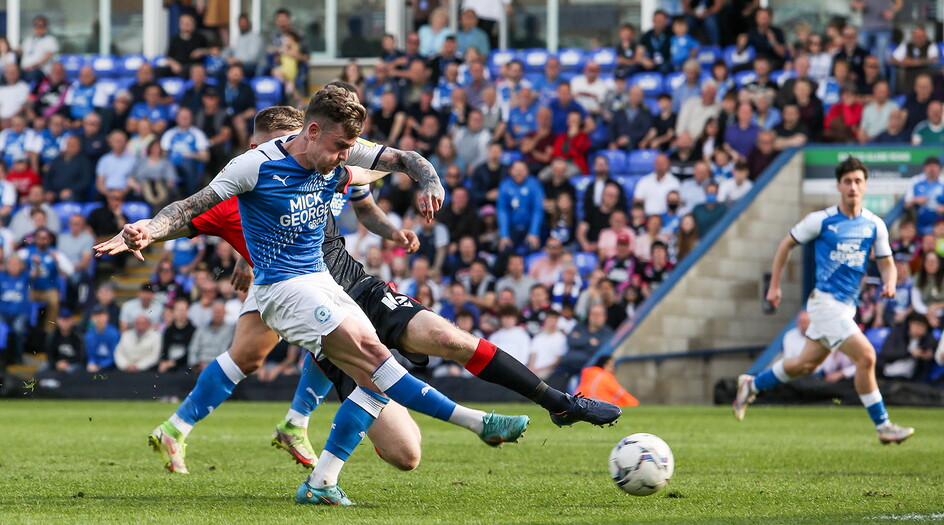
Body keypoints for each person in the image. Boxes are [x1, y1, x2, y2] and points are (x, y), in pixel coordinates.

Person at [103, 97, 618, 496]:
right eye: (336, 145)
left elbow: (380, 174)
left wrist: (416, 194)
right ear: (301, 135)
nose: (341, 156)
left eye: (347, 147)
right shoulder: (250, 173)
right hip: (285, 289)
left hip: (347, 282)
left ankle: (554, 402)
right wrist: (147, 230)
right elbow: (190, 211)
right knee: (390, 434)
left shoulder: (336, 164)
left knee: (441, 338)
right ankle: (466, 423)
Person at [734, 157, 914, 444]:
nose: (853, 187)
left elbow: (887, 263)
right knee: (866, 356)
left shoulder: (874, 225)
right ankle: (883, 426)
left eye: (858, 181)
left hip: (846, 308)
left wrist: (890, 282)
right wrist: (775, 286)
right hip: (825, 303)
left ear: (865, 185)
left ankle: (751, 384)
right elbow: (786, 244)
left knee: (804, 365)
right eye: (847, 181)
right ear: (838, 186)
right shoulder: (822, 220)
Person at [497, 160, 544, 254]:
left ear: (527, 172)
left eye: (522, 170)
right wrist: (504, 235)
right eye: (516, 170)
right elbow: (502, 211)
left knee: (532, 248)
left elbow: (537, 210)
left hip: (529, 227)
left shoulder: (534, 185)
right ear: (511, 171)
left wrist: (534, 233)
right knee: (504, 249)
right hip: (512, 228)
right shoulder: (504, 185)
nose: (519, 173)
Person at [904, 157, 944, 235]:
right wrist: (915, 200)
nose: (932, 170)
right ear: (924, 168)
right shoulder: (915, 181)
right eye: (929, 167)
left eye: (934, 167)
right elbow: (906, 205)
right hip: (921, 227)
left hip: (943, 229)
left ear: (939, 168)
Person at [0, 256, 31, 366]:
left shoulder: (25, 276)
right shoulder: (1, 277)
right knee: (1, 329)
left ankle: (19, 358)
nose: (14, 267)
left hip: (20, 313)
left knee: (18, 329)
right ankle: (2, 359)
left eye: (16, 264)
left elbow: (35, 273)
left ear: (21, 266)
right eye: (11, 264)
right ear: (6, 266)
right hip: (2, 313)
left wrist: (34, 264)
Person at [527, 310, 567, 378]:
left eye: (554, 319)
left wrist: (539, 370)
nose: (551, 322)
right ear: (546, 320)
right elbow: (533, 355)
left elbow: (557, 361)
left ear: (557, 321)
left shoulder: (561, 338)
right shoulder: (538, 337)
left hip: (549, 372)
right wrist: (531, 368)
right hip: (533, 370)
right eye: (549, 319)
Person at [18, 16, 59, 82]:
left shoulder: (50, 40)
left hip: (40, 70)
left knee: (28, 77)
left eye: (41, 26)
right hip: (25, 69)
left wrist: (32, 67)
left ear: (45, 28)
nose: (38, 28)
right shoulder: (28, 40)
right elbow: (19, 51)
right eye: (36, 25)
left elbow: (47, 57)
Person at [85, 305, 120, 372]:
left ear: (107, 317)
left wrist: (101, 365)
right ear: (92, 318)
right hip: (94, 366)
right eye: (96, 316)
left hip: (111, 367)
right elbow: (90, 354)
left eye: (102, 315)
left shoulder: (114, 333)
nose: (99, 318)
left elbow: (114, 355)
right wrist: (91, 363)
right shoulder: (89, 335)